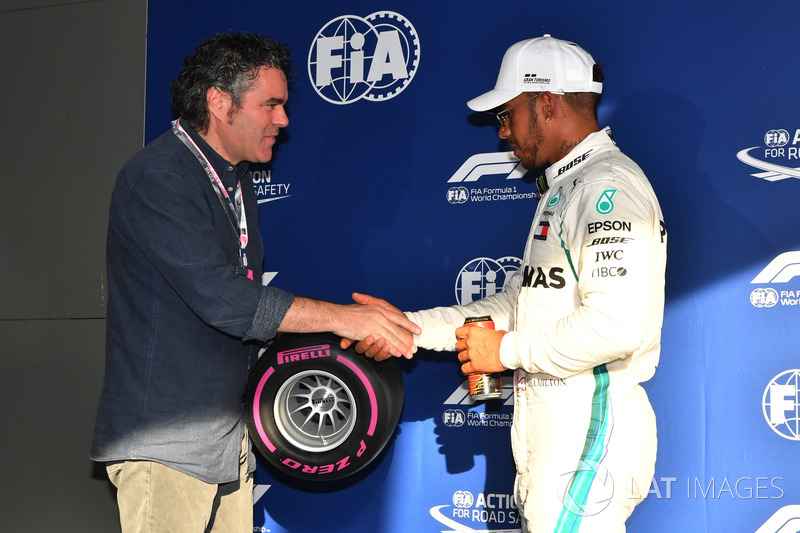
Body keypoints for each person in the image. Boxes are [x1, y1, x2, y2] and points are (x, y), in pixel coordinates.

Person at [90, 32, 420, 533]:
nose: (283, 120)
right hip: (168, 449)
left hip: (228, 443)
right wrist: (345, 317)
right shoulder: (158, 178)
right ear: (219, 102)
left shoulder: (235, 178)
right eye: (271, 104)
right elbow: (224, 300)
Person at [349, 35, 666, 532]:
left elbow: (614, 326)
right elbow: (515, 305)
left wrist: (506, 352)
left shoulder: (607, 188)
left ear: (546, 104)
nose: (502, 132)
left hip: (585, 436)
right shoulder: (567, 187)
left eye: (507, 114)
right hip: (560, 438)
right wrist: (407, 327)